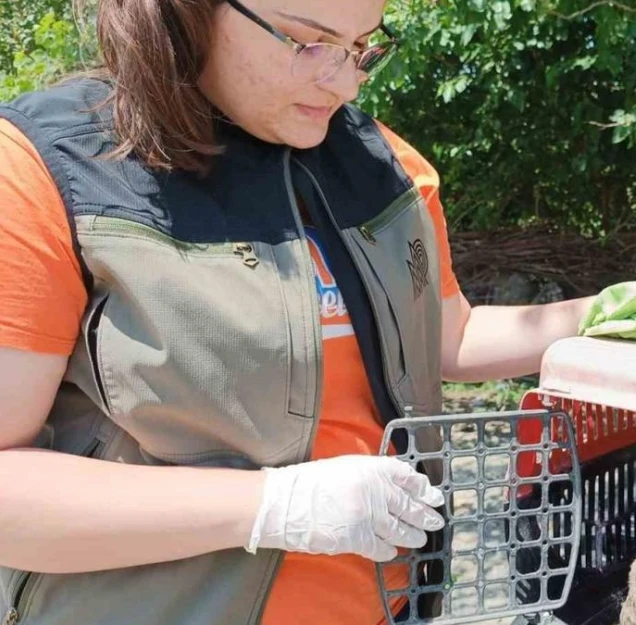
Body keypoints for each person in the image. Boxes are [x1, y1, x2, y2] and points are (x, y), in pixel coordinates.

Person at [0, 0, 601, 623]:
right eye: (305, 42)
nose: (343, 81)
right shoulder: (47, 169)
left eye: (361, 47)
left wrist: (617, 312)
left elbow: (452, 333)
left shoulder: (381, 163)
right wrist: (273, 507)